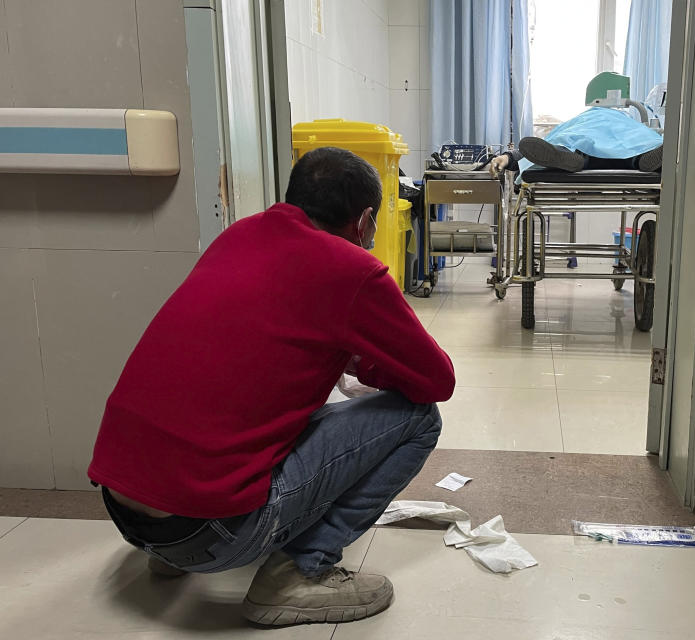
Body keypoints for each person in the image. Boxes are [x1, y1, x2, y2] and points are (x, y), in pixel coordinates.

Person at [87, 147, 455, 626]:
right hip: (206, 534)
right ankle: (301, 573)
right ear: (365, 221)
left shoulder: (237, 235)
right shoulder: (352, 270)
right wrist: (368, 363)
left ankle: (175, 549)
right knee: (419, 419)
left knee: (275, 408)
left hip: (125, 508)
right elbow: (436, 380)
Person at [489, 105, 664, 176]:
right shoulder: (627, 121)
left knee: (570, 143)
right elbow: (642, 135)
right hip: (629, 149)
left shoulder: (582, 120)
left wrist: (508, 157)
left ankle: (570, 158)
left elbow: (543, 144)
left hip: (584, 147)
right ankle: (643, 160)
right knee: (637, 144)